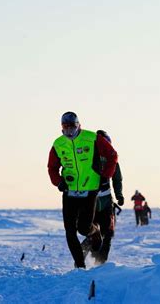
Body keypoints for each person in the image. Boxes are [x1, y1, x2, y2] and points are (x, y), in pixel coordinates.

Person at [48, 112, 118, 269]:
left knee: (84, 227)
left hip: (90, 190)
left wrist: (105, 176)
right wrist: (59, 182)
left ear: (78, 125)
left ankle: (95, 233)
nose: (69, 131)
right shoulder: (58, 144)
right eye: (65, 127)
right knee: (70, 230)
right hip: (69, 191)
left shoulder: (92, 138)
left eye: (72, 127)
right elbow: (52, 167)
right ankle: (80, 266)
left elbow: (112, 155)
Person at [81, 130, 124, 265]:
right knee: (95, 232)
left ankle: (100, 262)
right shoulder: (87, 159)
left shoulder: (112, 161)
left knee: (107, 233)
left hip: (106, 202)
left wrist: (119, 195)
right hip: (91, 201)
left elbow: (117, 179)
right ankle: (83, 256)